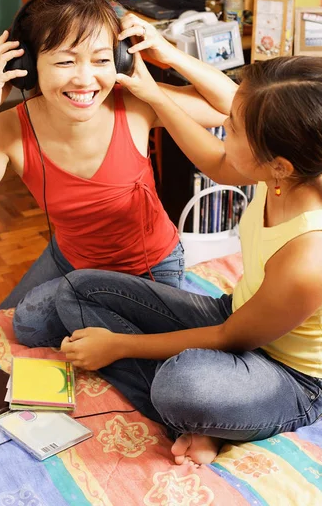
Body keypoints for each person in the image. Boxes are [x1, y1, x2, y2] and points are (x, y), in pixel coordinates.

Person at [54, 46, 322, 467]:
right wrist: (157, 95)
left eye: (232, 128)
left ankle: (197, 417)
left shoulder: (310, 255)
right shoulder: (284, 174)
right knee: (78, 288)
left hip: (290, 376)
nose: (223, 131)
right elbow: (217, 163)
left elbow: (230, 338)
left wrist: (118, 346)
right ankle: (200, 423)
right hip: (233, 313)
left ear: (280, 167)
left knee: (181, 386)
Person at [0, 0, 235, 347]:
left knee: (33, 325)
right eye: (65, 61)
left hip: (149, 266)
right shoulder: (11, 128)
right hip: (71, 257)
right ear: (26, 66)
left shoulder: (135, 103)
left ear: (120, 60)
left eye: (102, 60)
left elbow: (229, 107)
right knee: (16, 330)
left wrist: (169, 54)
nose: (85, 80)